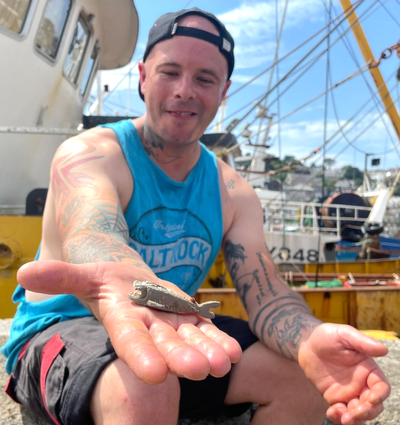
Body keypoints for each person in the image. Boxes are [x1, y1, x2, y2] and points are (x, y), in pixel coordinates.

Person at [2, 8, 390, 425]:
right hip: (64, 326)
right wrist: (123, 277)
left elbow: (266, 293)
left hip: (175, 328)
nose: (185, 90)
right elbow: (93, 232)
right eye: (170, 72)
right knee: (147, 384)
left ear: (223, 92)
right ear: (143, 77)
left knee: (306, 376)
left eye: (204, 79)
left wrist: (309, 337)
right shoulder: (91, 154)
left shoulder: (233, 192)